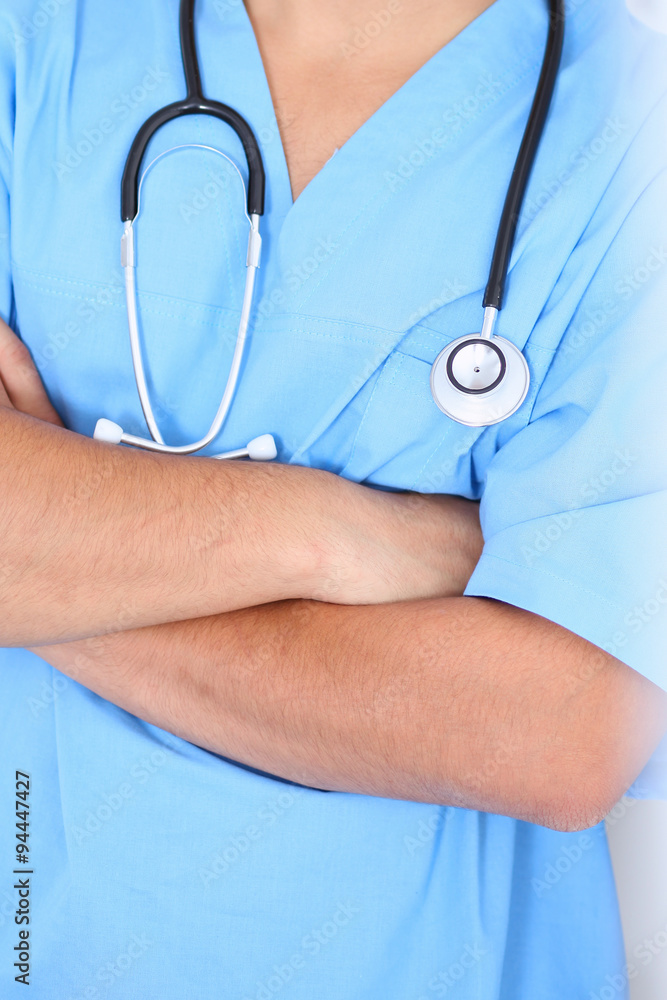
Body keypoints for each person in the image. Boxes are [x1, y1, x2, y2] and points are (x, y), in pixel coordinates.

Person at [0, 0, 666, 996]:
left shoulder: (632, 131)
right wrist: (336, 533)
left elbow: (561, 730)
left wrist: (43, 573)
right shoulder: (38, 38)